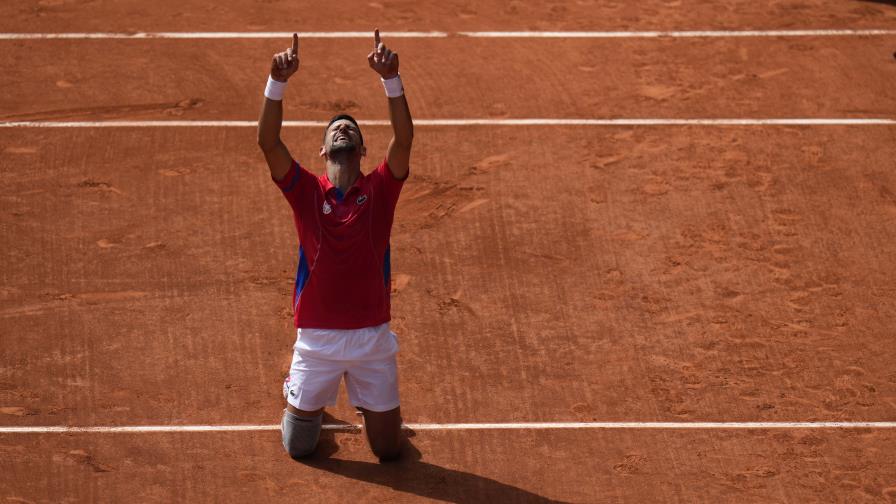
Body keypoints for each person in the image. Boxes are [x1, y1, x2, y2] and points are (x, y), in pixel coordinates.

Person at [257, 29, 413, 461]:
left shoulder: (381, 189)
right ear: (322, 150)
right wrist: (277, 82)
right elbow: (268, 143)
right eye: (335, 128)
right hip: (317, 341)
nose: (342, 128)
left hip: (371, 340)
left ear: (362, 149)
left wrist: (391, 80)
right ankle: (298, 392)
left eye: (350, 128)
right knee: (299, 447)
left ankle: (369, 408)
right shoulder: (305, 190)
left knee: (388, 450)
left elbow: (403, 141)